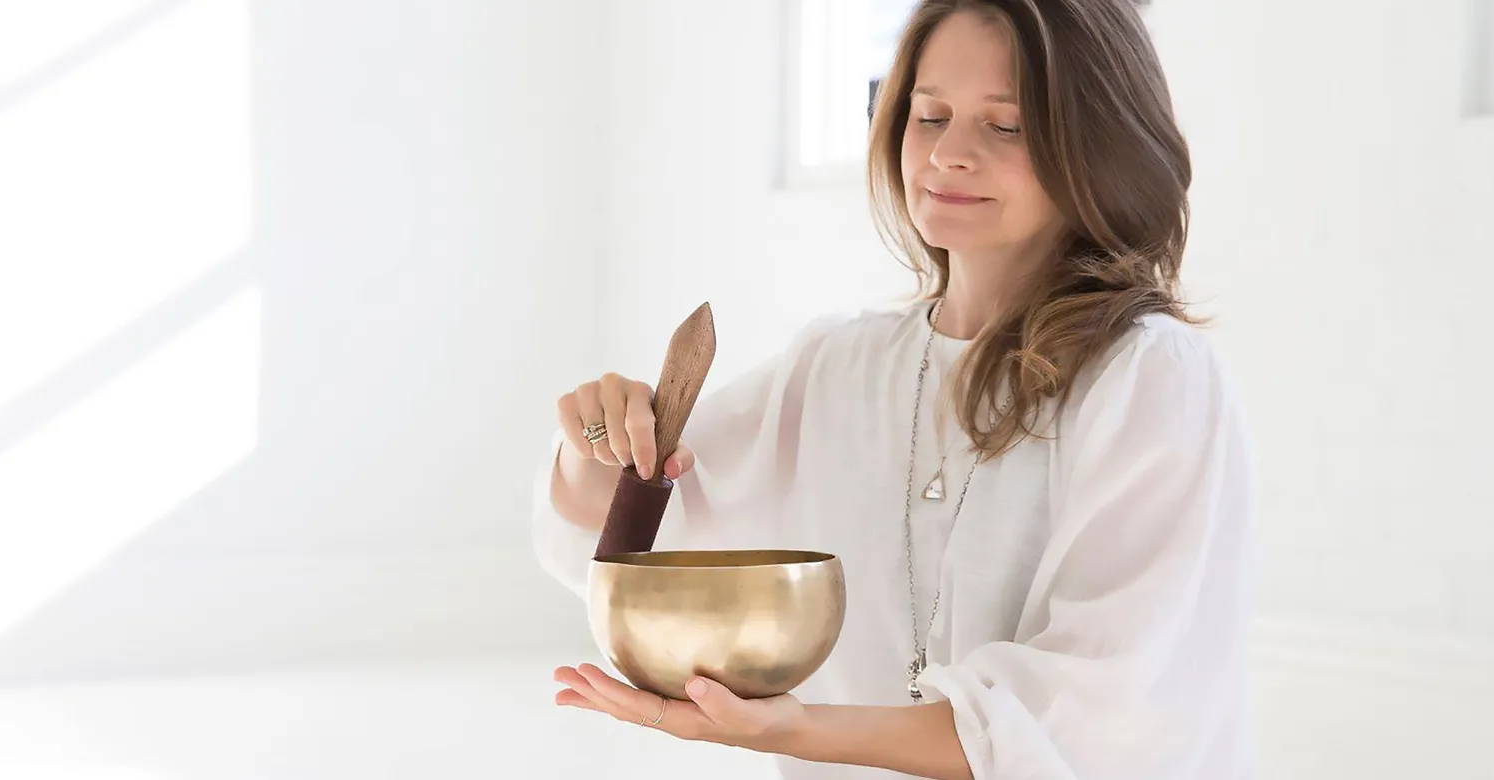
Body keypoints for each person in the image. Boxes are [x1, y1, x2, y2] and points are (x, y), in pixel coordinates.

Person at [531, 1, 1255, 778]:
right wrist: (597, 442)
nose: (950, 154)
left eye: (1005, 126)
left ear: (1099, 142)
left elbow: (1100, 710)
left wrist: (795, 731)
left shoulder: (1148, 377)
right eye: (930, 115)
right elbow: (634, 539)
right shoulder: (841, 363)